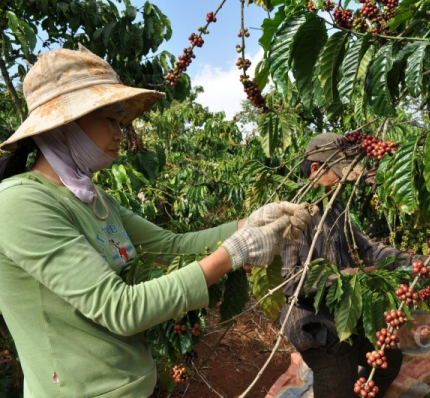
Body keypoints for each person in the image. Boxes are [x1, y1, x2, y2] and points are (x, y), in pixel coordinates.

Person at [0, 45, 314, 398]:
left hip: (138, 384)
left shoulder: (96, 199)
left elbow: (170, 246)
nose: (121, 134)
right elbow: (121, 308)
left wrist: (249, 224)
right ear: (65, 123)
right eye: (110, 120)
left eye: (121, 122)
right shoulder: (20, 203)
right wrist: (233, 254)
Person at [278, 133, 430, 398]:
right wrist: (347, 276)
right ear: (316, 170)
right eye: (340, 174)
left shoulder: (336, 208)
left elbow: (369, 249)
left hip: (346, 314)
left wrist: (423, 263)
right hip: (318, 327)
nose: (346, 183)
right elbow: (292, 281)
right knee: (340, 378)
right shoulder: (294, 216)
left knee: (389, 360)